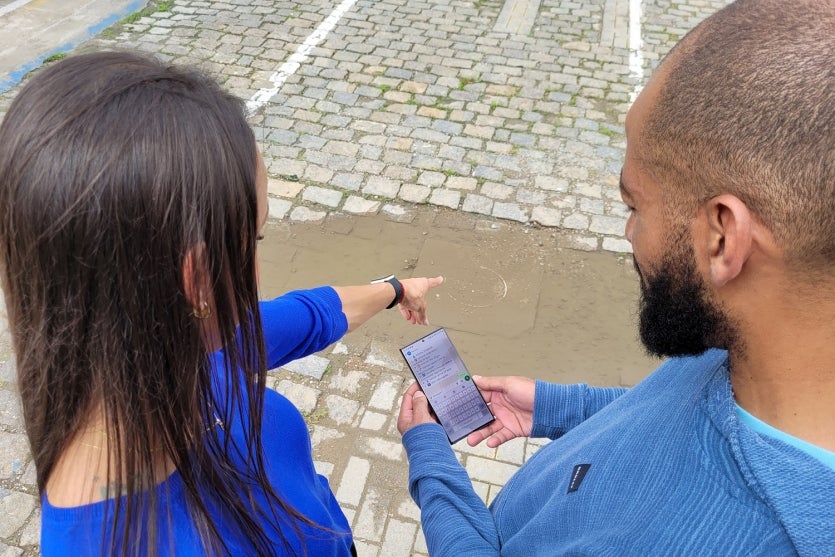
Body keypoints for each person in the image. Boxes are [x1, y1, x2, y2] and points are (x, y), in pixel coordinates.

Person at [397, 0, 834, 554]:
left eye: (635, 205)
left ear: (723, 238)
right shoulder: (748, 343)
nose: (629, 232)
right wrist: (553, 406)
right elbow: (675, 415)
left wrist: (431, 460)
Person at [0, 51, 443, 556]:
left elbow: (313, 315)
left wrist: (395, 289)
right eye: (256, 238)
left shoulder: (168, 353)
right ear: (197, 279)